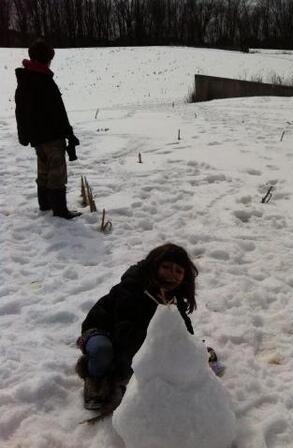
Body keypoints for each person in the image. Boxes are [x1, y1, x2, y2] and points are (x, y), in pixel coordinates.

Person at [75, 243, 198, 410]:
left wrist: (195, 349)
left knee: (140, 357)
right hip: (104, 329)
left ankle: (116, 368)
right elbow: (124, 331)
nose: (172, 274)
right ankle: (95, 379)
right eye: (166, 267)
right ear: (154, 265)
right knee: (103, 351)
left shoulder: (173, 297)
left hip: (133, 336)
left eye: (178, 271)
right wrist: (159, 346)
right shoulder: (132, 287)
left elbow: (182, 328)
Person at [15, 38, 81, 219]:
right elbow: (58, 112)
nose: (51, 61)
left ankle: (45, 204)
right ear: (44, 59)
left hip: (37, 137)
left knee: (43, 170)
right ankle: (60, 210)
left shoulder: (25, 80)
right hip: (52, 136)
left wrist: (24, 135)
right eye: (49, 58)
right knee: (57, 172)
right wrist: (68, 132)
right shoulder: (44, 80)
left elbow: (19, 111)